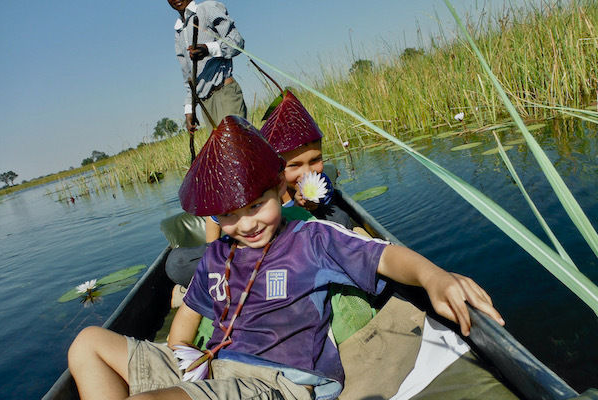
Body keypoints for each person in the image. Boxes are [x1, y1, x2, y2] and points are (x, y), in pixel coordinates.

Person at [68, 116, 507, 400]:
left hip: (276, 382)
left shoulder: (310, 239)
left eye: (257, 205)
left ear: (281, 190)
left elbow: (386, 257)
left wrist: (433, 278)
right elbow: (186, 322)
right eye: (229, 215)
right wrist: (179, 360)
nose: (246, 224)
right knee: (88, 343)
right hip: (213, 367)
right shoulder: (216, 255)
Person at [260, 90, 353, 229]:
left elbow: (325, 198)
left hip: (317, 226)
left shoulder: (321, 183)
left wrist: (312, 204)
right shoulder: (265, 190)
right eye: (294, 165)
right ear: (274, 168)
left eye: (315, 160)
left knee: (340, 218)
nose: (307, 173)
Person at [167, 0, 247, 133]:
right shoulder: (179, 31)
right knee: (220, 153)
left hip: (225, 93)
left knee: (237, 146)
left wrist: (209, 49)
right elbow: (189, 76)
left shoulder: (207, 9)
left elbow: (237, 42)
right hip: (206, 104)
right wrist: (189, 108)